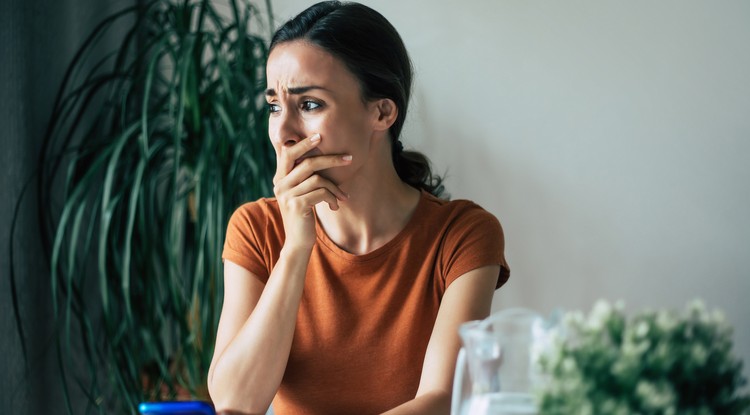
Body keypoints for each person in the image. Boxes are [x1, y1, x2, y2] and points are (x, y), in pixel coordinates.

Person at [207, 2, 510, 414]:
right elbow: (235, 403)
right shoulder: (256, 228)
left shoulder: (462, 234)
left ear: (382, 112)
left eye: (310, 104)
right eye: (274, 105)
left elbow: (443, 400)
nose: (282, 132)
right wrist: (296, 249)